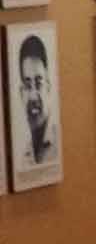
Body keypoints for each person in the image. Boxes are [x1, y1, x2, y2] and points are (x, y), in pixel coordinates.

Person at [15, 31, 53, 165]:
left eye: (38, 83)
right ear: (21, 94)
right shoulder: (23, 157)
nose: (33, 95)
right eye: (27, 85)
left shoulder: (61, 144)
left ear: (49, 87)